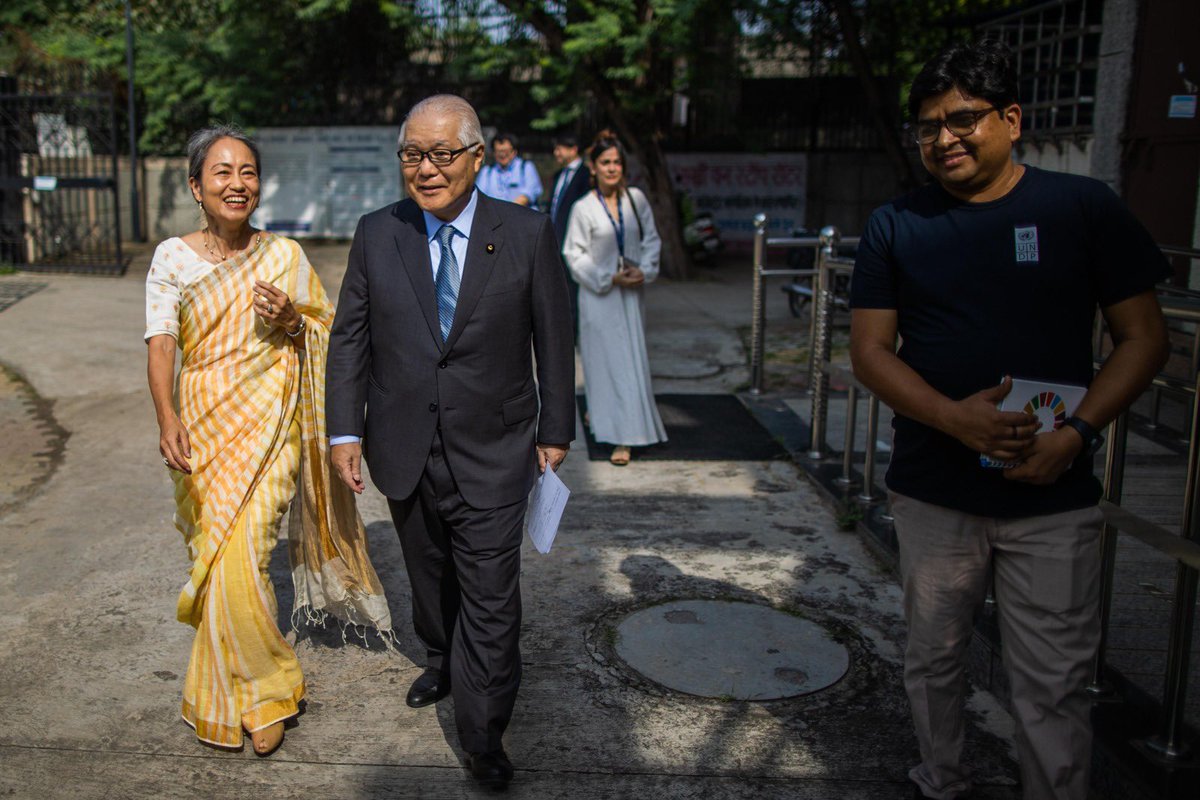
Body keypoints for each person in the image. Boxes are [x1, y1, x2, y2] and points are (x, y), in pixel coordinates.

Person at [849, 41, 1170, 800]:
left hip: (1053, 495)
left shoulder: (1081, 208)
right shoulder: (897, 222)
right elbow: (869, 351)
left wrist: (1077, 435)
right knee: (933, 658)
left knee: (1053, 680)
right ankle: (943, 778)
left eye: (962, 119)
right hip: (934, 492)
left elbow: (1144, 338)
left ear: (1011, 119)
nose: (944, 138)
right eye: (927, 127)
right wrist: (953, 421)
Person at [325, 95, 575, 790]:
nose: (426, 170)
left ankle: (483, 733)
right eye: (412, 154)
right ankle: (439, 656)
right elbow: (350, 337)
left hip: (495, 448)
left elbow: (555, 336)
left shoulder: (526, 232)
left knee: (492, 596)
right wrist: (345, 429)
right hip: (403, 445)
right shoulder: (379, 233)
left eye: (440, 155)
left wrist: (556, 429)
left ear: (474, 156)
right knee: (429, 575)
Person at [145, 125, 392, 756]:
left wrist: (291, 320)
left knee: (244, 552)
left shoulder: (283, 255)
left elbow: (325, 331)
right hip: (203, 426)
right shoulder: (172, 257)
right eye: (222, 173)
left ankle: (268, 692)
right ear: (196, 185)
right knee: (217, 558)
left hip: (269, 429)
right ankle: (254, 691)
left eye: (248, 172)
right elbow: (162, 344)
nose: (237, 184)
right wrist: (166, 416)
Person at [563, 130, 666, 466]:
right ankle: (617, 434)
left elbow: (651, 239)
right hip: (599, 296)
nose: (612, 169)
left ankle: (625, 430)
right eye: (605, 163)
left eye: (617, 163)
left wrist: (644, 270)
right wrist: (608, 277)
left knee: (628, 361)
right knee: (602, 363)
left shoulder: (635, 199)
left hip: (631, 294)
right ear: (593, 167)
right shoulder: (583, 208)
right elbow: (574, 254)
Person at [549, 133, 591, 332]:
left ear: (573, 149)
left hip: (575, 240)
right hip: (556, 238)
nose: (556, 153)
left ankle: (573, 332)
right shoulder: (558, 176)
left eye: (560, 148)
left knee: (572, 289)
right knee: (559, 288)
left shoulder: (586, 175)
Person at [474, 132, 543, 209]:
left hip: (522, 216)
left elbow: (529, 194)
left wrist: (506, 212)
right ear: (493, 153)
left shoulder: (526, 167)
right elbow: (479, 197)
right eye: (498, 151)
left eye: (505, 151)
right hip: (494, 218)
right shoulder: (487, 171)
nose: (502, 154)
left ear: (514, 152)